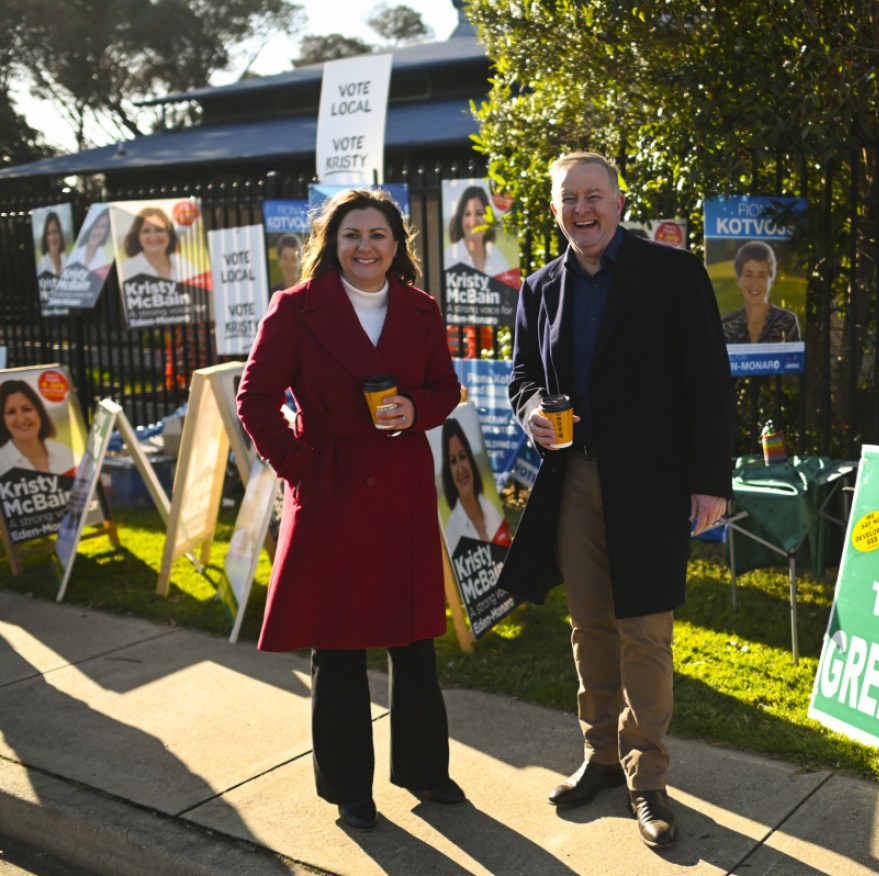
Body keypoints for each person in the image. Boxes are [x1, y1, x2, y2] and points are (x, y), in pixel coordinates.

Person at [499, 152, 734, 851]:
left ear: (619, 202)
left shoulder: (672, 274)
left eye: (594, 196)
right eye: (569, 198)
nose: (582, 209)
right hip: (573, 479)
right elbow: (520, 376)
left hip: (653, 484)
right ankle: (601, 758)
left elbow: (708, 382)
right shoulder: (540, 287)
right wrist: (531, 408)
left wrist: (710, 480)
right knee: (589, 625)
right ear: (554, 210)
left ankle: (647, 776)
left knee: (645, 632)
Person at [235, 188, 464, 833]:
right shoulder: (297, 307)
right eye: (352, 235)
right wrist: (301, 465)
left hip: (401, 483)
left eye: (379, 235)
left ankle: (425, 772)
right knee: (336, 645)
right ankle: (347, 790)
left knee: (414, 638)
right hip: (329, 485)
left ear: (398, 245)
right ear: (332, 244)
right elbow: (254, 398)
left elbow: (444, 388)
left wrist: (416, 410)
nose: (366, 246)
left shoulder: (421, 308)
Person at [440, 416, 510, 547]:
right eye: (453, 461)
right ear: (448, 470)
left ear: (470, 458)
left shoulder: (490, 507)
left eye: (462, 456)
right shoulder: (453, 529)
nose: (460, 469)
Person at [720, 240, 801, 344]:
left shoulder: (787, 321)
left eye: (762, 275)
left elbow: (793, 358)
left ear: (771, 280)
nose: (755, 283)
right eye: (748, 275)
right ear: (739, 279)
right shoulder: (725, 325)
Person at [0, 380, 75, 477]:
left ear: (39, 411)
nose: (21, 419)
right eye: (11, 412)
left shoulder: (65, 452)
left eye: (27, 409)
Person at [445, 185, 510, 276]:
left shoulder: (499, 259)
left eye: (479, 214)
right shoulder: (447, 258)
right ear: (460, 219)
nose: (473, 222)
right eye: (467, 214)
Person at [120, 206, 198, 281]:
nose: (153, 237)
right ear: (137, 236)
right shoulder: (125, 272)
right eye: (146, 231)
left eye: (159, 230)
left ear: (169, 233)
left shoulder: (186, 267)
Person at [36, 213, 66, 277]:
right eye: (49, 233)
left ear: (60, 234)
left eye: (55, 232)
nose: (53, 237)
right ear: (45, 237)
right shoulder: (40, 267)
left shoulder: (68, 261)